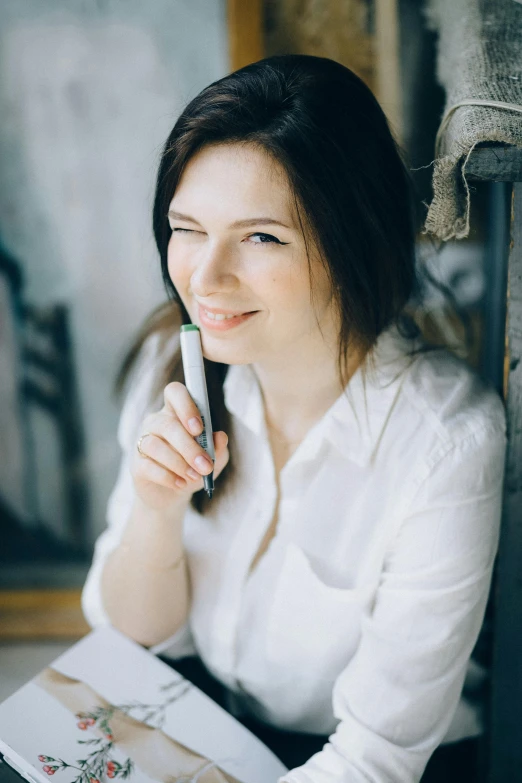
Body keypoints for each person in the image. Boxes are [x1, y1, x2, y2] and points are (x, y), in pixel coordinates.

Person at [81, 54, 506, 782]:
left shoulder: (447, 440)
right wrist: (155, 508)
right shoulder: (175, 361)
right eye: (187, 228)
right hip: (210, 719)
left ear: (351, 242)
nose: (204, 278)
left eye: (261, 237)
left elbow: (375, 756)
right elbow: (134, 633)